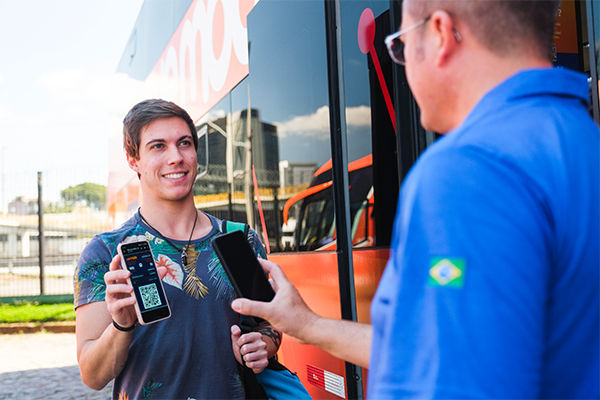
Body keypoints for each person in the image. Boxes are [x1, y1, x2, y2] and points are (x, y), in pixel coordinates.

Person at [231, 0, 600, 398]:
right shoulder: (581, 139)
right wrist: (307, 325)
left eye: (401, 46)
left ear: (440, 33)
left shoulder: (470, 168)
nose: (404, 67)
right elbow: (433, 348)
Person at [74, 99, 281, 399]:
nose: (176, 157)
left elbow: (271, 321)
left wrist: (263, 345)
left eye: (184, 143)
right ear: (134, 160)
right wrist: (121, 325)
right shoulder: (105, 253)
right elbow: (92, 375)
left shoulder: (240, 240)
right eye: (158, 146)